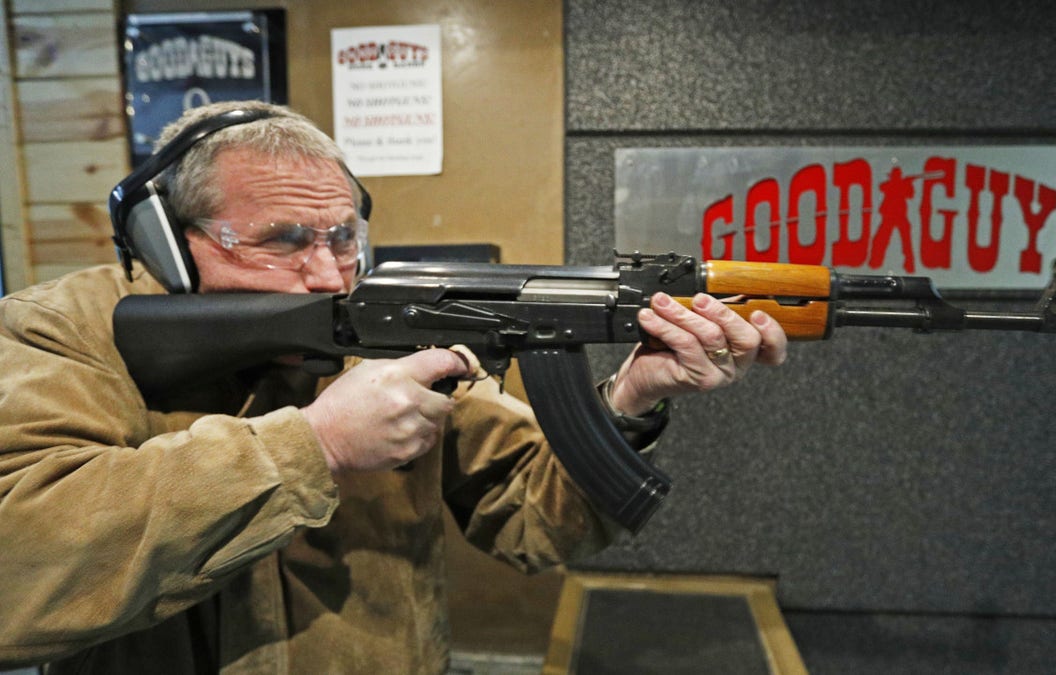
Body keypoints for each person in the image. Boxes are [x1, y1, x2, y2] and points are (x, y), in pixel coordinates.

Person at [0, 100, 786, 673]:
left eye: (344, 236)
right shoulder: (60, 332)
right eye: (284, 240)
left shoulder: (379, 322)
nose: (327, 271)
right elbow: (20, 570)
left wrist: (629, 398)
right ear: (167, 242)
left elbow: (532, 520)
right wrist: (314, 445)